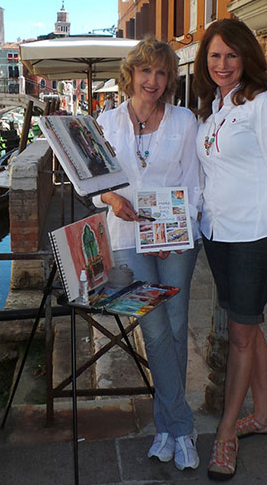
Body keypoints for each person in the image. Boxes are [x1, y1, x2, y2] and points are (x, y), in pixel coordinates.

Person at [193, 18, 267, 481]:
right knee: (249, 324)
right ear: (205, 61)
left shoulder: (266, 105)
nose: (223, 64)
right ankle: (264, 415)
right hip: (218, 235)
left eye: (231, 55)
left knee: (240, 333)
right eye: (215, 55)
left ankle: (226, 433)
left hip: (255, 238)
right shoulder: (214, 108)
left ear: (247, 58)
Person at [93, 35, 201, 471]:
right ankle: (182, 426)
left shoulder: (185, 121)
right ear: (131, 75)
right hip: (125, 236)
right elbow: (93, 182)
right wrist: (110, 200)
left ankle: (166, 426)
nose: (152, 80)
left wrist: (180, 223)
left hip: (174, 237)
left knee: (176, 327)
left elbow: (194, 184)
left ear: (168, 78)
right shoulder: (107, 121)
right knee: (153, 329)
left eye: (160, 72)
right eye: (145, 71)